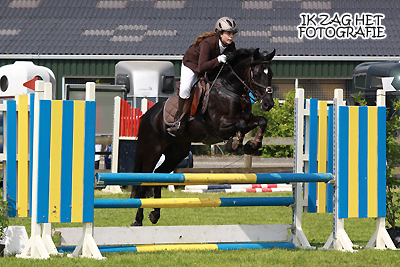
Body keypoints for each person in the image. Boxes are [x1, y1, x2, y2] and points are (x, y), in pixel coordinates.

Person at [167, 17, 238, 137]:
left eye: (233, 34)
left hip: (210, 66)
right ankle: (180, 121)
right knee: (185, 88)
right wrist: (218, 59)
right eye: (228, 33)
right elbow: (202, 67)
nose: (231, 36)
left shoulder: (231, 46)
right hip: (192, 65)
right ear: (220, 33)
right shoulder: (208, 43)